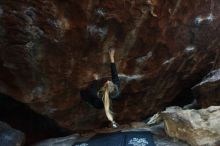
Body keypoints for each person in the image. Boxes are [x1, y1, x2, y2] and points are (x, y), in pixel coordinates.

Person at [80, 48, 120, 128]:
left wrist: (96, 80)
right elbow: (114, 73)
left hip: (96, 103)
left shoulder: (98, 96)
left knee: (85, 94)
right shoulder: (116, 87)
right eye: (110, 82)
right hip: (106, 99)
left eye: (107, 83)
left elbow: (92, 91)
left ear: (105, 89)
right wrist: (111, 57)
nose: (108, 81)